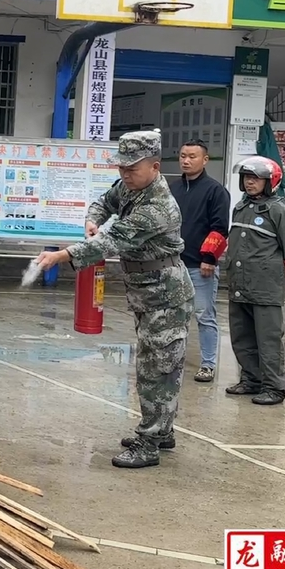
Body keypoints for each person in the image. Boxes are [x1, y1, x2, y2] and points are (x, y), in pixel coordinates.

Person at [35, 131, 194, 469]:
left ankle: (149, 442)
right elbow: (104, 201)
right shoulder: (130, 186)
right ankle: (161, 429)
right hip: (145, 291)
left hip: (166, 295)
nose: (124, 174)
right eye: (121, 167)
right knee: (158, 364)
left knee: (156, 369)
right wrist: (93, 218)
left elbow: (110, 243)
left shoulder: (157, 206)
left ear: (154, 167)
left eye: (131, 169)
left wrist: (59, 256)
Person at [223, 156, 285, 406]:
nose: (249, 182)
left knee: (267, 340)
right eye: (246, 178)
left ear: (270, 181)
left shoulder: (279, 211)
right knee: (242, 337)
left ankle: (274, 387)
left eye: (256, 178)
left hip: (265, 288)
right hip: (239, 286)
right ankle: (250, 379)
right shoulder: (241, 208)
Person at [169, 140, 230, 383]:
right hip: (172, 264)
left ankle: (207, 364)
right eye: (183, 155)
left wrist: (209, 259)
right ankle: (172, 360)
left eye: (192, 156)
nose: (186, 160)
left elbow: (219, 229)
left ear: (205, 160)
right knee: (173, 316)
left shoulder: (215, 191)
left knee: (204, 315)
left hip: (199, 266)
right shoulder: (172, 189)